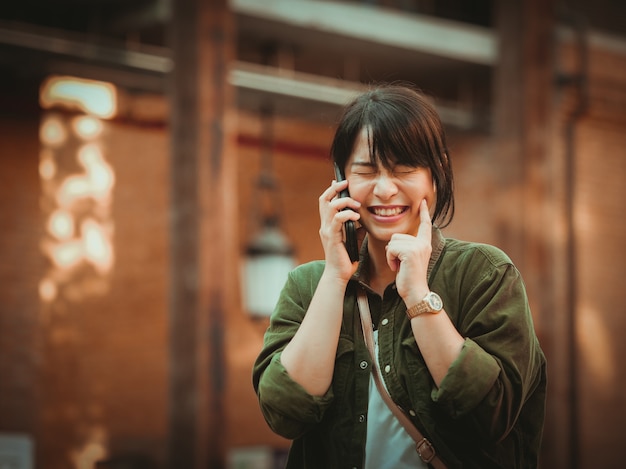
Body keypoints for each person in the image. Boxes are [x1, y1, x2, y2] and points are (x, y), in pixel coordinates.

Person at [252, 83, 546, 468]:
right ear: (341, 180)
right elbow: (284, 412)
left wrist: (418, 295)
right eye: (367, 170)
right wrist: (335, 277)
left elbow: (492, 415)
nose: (385, 189)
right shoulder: (307, 286)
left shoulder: (484, 274)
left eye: (404, 168)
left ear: (434, 175)